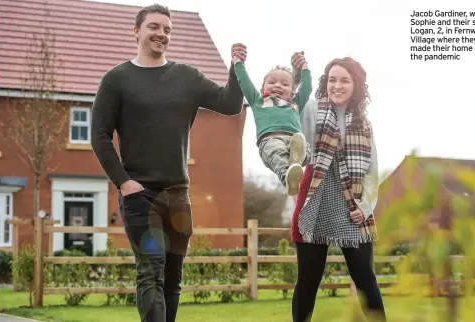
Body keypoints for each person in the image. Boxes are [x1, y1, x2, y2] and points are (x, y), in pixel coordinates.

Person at [91, 4, 246, 322]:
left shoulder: (187, 77)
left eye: (167, 29)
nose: (161, 33)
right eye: (154, 27)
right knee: (151, 276)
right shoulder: (117, 80)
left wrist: (236, 67)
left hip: (178, 195)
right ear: (136, 31)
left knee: (173, 281)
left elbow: (230, 104)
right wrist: (124, 182)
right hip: (140, 196)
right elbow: (100, 136)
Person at [290, 57, 386, 321]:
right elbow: (293, 109)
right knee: (308, 281)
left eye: (344, 80)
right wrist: (299, 76)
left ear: (356, 85)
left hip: (351, 204)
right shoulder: (311, 108)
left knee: (366, 280)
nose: (337, 85)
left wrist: (365, 207)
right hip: (314, 199)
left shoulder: (364, 125)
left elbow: (372, 170)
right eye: (332, 79)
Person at [232, 52, 313, 195]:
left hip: (294, 140)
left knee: (305, 148)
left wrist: (305, 68)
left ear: (293, 93)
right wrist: (238, 63)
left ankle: (296, 158)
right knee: (277, 153)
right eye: (272, 82)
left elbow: (306, 88)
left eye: (285, 84)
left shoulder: (295, 104)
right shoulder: (259, 101)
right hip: (270, 140)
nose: (278, 85)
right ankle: (288, 177)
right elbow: (244, 82)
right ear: (262, 89)